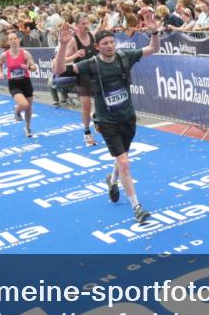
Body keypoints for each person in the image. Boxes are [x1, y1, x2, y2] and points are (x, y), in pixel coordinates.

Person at [53, 18, 161, 222]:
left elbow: (152, 49)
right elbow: (59, 70)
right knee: (124, 162)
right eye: (105, 44)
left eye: (112, 42)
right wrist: (63, 44)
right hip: (106, 121)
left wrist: (154, 33)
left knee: (122, 159)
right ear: (97, 47)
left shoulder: (124, 57)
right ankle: (137, 208)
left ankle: (112, 181)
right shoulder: (90, 65)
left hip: (128, 117)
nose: (110, 46)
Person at [64, 14, 99, 146]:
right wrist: (76, 55)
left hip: (95, 75)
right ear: (77, 26)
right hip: (82, 77)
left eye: (87, 23)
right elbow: (64, 59)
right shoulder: (73, 41)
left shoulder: (92, 36)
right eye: (83, 24)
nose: (86, 26)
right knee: (86, 106)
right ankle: (87, 131)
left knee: (102, 102)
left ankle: (97, 118)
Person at [0, 30, 39, 137]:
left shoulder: (25, 53)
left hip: (25, 82)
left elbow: (34, 67)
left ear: (18, 40)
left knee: (29, 107)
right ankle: (17, 110)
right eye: (11, 39)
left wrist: (28, 67)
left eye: (15, 38)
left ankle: (28, 128)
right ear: (8, 42)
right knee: (24, 104)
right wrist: (0, 73)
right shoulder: (5, 55)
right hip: (14, 83)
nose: (13, 41)